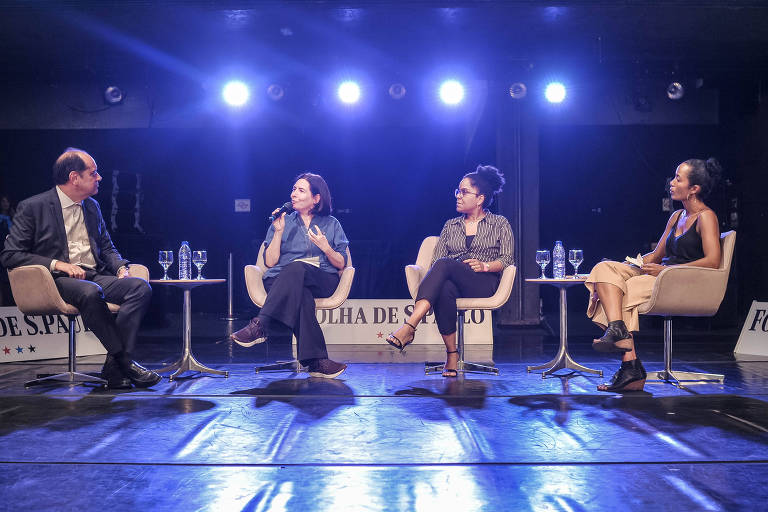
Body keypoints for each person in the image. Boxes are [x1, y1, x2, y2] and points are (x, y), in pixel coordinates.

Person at [0, 148, 160, 389]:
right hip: (54, 280)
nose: (100, 178)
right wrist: (58, 264)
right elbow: (10, 255)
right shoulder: (33, 207)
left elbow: (107, 248)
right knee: (90, 291)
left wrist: (120, 268)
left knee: (139, 287)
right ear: (74, 178)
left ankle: (114, 367)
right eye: (93, 173)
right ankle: (124, 362)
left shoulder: (92, 206)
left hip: (93, 274)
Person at [585, 158, 723, 392]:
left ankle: (631, 366)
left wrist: (666, 271)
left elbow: (713, 261)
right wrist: (626, 267)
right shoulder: (676, 216)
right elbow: (657, 255)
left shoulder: (706, 217)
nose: (671, 182)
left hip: (679, 281)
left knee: (619, 296)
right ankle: (621, 337)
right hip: (658, 275)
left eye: (678, 178)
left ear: (694, 189)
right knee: (604, 270)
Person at [384, 165, 514, 377]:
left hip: (483, 282)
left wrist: (485, 266)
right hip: (454, 279)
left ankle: (409, 326)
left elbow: (507, 259)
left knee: (445, 265)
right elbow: (436, 262)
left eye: (464, 192)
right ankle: (451, 355)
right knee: (444, 286)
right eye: (458, 191)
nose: (458, 196)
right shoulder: (450, 225)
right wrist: (454, 266)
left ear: (480, 198)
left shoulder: (499, 223)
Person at [231, 173, 350, 379]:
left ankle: (261, 324)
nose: (293, 194)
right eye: (293, 189)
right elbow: (269, 262)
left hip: (321, 277)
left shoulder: (331, 224)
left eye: (301, 190)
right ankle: (317, 361)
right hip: (282, 280)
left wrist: (326, 248)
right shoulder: (282, 221)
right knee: (300, 292)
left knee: (297, 269)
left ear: (316, 198)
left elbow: (342, 263)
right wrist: (278, 232)